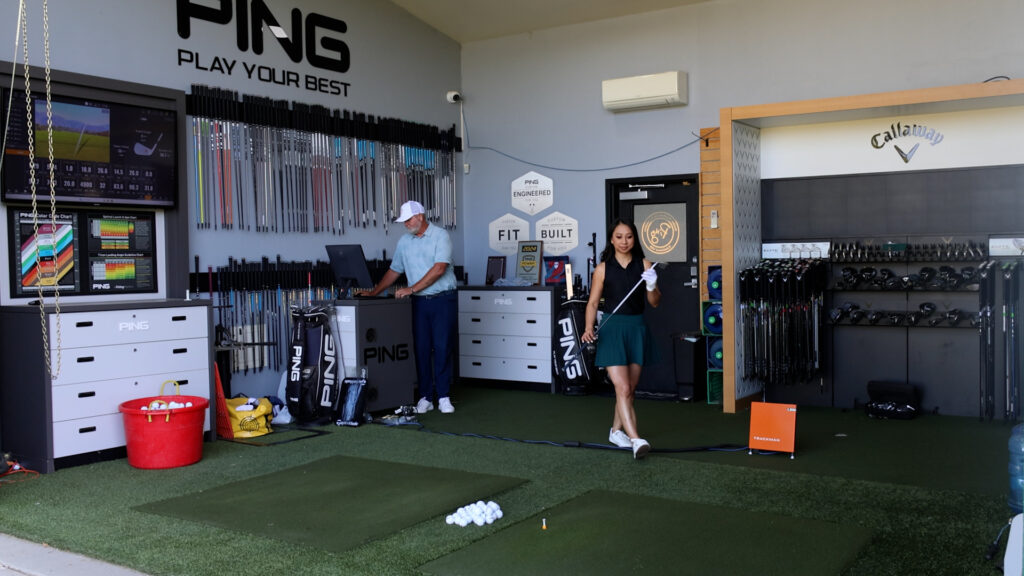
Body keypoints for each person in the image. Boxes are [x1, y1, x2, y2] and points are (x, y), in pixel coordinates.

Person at [366, 200, 458, 414]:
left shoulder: (440, 236)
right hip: (420, 303)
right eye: (404, 221)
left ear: (420, 216)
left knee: (442, 348)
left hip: (443, 300)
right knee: (421, 348)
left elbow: (439, 269)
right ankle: (425, 397)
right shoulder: (404, 242)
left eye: (408, 220)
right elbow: (394, 271)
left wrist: (412, 288)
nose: (406, 224)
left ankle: (443, 396)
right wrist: (373, 293)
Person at [581, 219, 660, 459]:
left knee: (630, 390)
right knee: (623, 387)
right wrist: (588, 327)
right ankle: (636, 439)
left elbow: (655, 303)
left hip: (636, 328)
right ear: (611, 240)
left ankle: (616, 431)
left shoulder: (644, 264)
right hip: (612, 329)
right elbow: (593, 303)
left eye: (628, 236)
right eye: (619, 237)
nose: (624, 241)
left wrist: (652, 285)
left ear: (634, 239)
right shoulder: (602, 269)